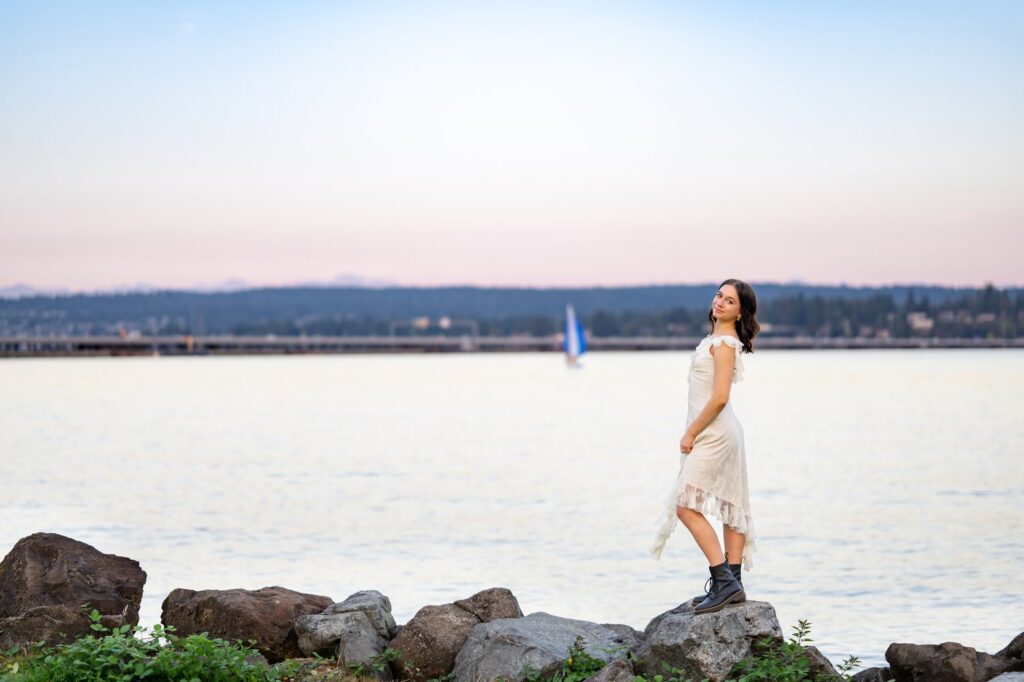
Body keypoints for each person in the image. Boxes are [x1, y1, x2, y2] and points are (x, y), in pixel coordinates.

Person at [648, 279, 761, 615]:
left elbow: (720, 397)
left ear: (740, 312)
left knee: (685, 505)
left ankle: (723, 580)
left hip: (716, 433)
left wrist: (691, 433)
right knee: (731, 504)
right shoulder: (714, 339)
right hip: (719, 431)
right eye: (719, 295)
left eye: (730, 301)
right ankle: (733, 583)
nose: (720, 303)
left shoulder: (725, 343)